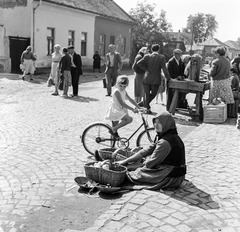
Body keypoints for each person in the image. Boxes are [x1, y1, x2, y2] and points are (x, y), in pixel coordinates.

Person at [116, 111, 186, 190]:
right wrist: (126, 160)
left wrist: (135, 165)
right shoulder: (168, 135)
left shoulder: (165, 142)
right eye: (155, 122)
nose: (156, 125)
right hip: (176, 174)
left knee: (133, 174)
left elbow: (149, 164)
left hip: (171, 177)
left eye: (159, 122)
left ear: (166, 124)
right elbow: (147, 150)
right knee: (135, 164)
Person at [137, 44, 171, 114]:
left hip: (146, 78)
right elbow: (164, 69)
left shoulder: (147, 56)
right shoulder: (161, 57)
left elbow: (138, 63)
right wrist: (169, 78)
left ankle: (143, 105)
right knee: (153, 94)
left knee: (147, 94)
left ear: (151, 50)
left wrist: (146, 69)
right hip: (156, 79)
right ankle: (145, 106)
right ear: (158, 49)